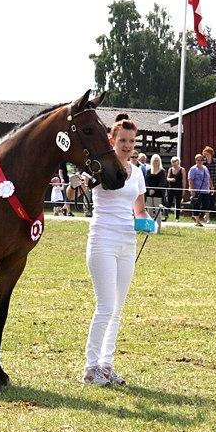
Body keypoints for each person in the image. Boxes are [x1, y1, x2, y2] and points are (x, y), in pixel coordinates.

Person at [67, 113, 150, 387]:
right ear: (111, 140)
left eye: (131, 141)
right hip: (103, 240)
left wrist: (147, 222)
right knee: (105, 306)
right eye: (122, 140)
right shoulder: (100, 167)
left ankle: (106, 365)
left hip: (128, 242)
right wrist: (74, 184)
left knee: (117, 309)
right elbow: (72, 192)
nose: (127, 145)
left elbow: (139, 210)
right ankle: (90, 368)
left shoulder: (137, 173)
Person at [188, 154, 211, 226]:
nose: (200, 161)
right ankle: (197, 221)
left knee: (206, 205)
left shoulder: (205, 168)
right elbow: (190, 180)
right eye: (198, 160)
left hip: (206, 190)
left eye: (201, 160)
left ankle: (202, 216)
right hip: (197, 190)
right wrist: (192, 190)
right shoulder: (193, 169)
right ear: (195, 161)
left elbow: (208, 178)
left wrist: (211, 186)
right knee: (196, 205)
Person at [201, 146, 216, 224]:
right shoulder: (203, 162)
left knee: (212, 202)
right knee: (207, 201)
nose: (206, 155)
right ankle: (208, 217)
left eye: (208, 153)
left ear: (211, 154)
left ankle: (206, 215)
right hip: (205, 185)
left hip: (214, 182)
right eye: (205, 154)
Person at [145, 154, 167, 219]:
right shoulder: (148, 171)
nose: (156, 162)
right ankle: (150, 228)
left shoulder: (162, 171)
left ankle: (158, 228)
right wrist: (149, 190)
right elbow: (146, 181)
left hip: (158, 194)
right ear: (152, 161)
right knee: (149, 211)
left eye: (157, 160)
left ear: (159, 161)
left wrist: (154, 190)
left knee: (158, 212)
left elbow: (162, 183)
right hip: (149, 193)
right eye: (154, 160)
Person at [166, 156, 187, 221]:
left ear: (178, 162)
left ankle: (177, 217)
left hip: (179, 188)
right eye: (173, 162)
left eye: (175, 162)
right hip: (171, 188)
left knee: (178, 203)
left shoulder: (182, 169)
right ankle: (166, 216)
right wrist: (170, 179)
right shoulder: (170, 169)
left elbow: (184, 180)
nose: (174, 164)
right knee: (169, 202)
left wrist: (184, 189)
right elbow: (167, 178)